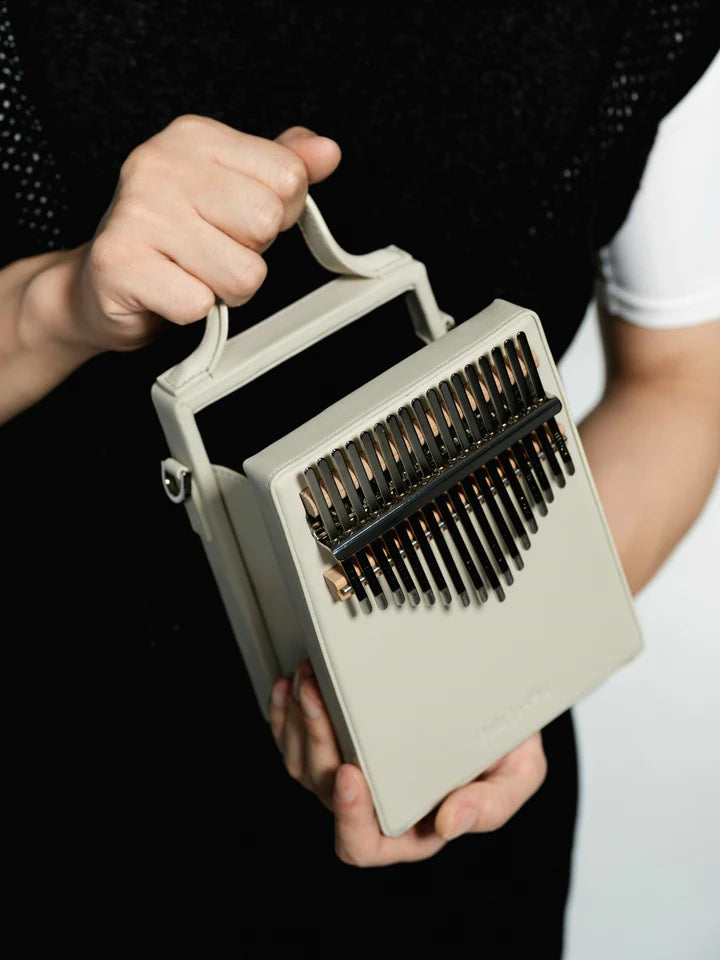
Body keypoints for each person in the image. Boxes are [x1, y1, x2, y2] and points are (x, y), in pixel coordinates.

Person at [2, 0, 718, 949]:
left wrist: (490, 674)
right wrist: (60, 303)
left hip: (465, 846)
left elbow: (682, 383)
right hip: (50, 785)